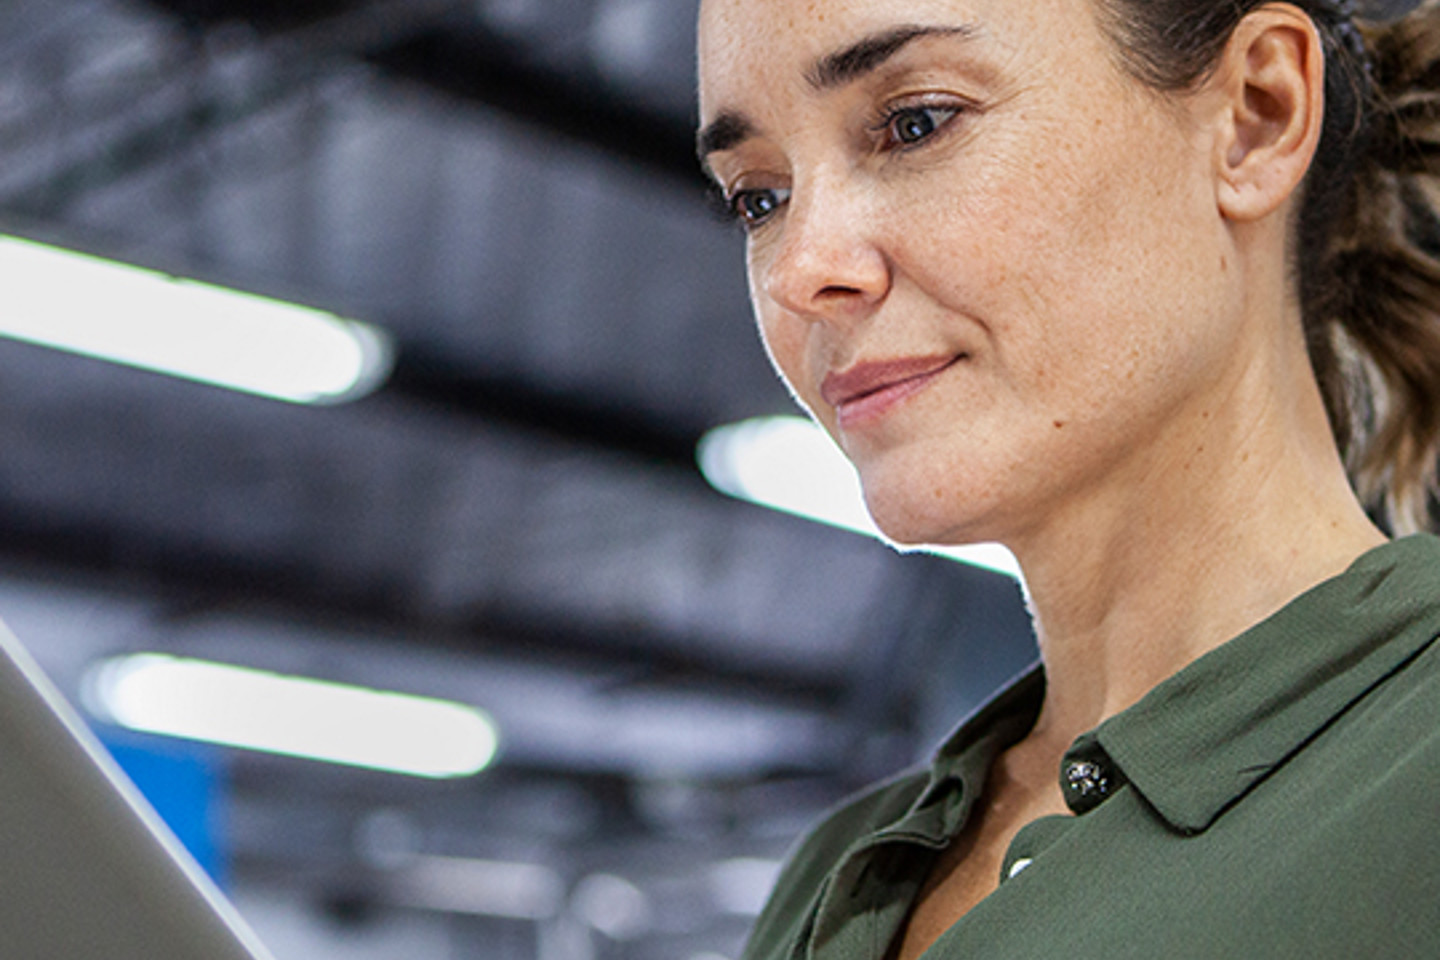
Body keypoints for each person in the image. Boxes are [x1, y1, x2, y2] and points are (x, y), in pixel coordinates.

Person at [696, 0, 1440, 956]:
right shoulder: (826, 880)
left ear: (1257, 115)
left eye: (916, 123)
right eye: (759, 198)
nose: (800, 269)